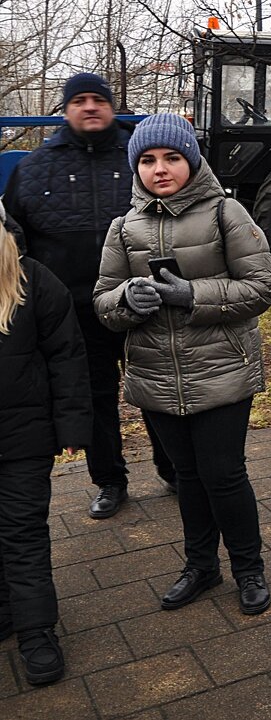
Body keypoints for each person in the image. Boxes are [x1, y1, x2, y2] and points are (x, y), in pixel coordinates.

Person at [93, 114, 271, 614]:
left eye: (171, 157)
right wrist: (127, 300)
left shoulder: (227, 214)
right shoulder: (122, 228)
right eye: (148, 160)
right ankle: (201, 566)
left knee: (223, 475)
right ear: (137, 168)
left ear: (191, 161)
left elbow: (261, 288)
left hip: (221, 372)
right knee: (187, 476)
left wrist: (190, 294)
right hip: (156, 377)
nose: (160, 168)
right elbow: (103, 303)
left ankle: (248, 568)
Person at [1, 73, 175, 520]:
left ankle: (174, 469)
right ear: (66, 110)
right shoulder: (36, 167)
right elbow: (15, 239)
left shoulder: (140, 157)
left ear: (112, 106)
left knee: (156, 389)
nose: (90, 107)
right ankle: (110, 481)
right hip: (75, 311)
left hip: (143, 301)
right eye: (79, 100)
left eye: (99, 99)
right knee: (96, 398)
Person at [0, 204, 91, 686]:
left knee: (21, 532)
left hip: (24, 439)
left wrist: (72, 428)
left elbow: (66, 356)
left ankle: (37, 631)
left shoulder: (33, 281)